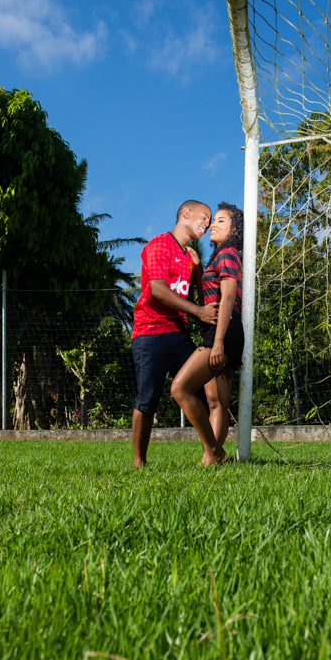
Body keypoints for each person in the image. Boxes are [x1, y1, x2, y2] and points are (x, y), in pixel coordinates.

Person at [131, 200, 218, 468]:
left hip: (178, 333)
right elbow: (158, 289)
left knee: (204, 389)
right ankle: (139, 463)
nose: (207, 222)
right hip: (150, 332)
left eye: (210, 220)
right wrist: (200, 313)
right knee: (147, 400)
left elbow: (193, 298)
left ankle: (213, 453)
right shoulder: (160, 244)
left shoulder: (190, 257)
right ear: (185, 213)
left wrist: (199, 268)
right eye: (203, 216)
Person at [171, 202, 244, 465]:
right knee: (216, 402)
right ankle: (210, 458)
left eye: (221, 221)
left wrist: (218, 343)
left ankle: (213, 453)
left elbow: (226, 301)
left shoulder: (229, 254)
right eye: (214, 220)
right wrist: (199, 267)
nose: (213, 224)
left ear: (235, 229)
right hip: (220, 330)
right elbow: (207, 300)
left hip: (223, 331)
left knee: (180, 388)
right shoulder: (220, 257)